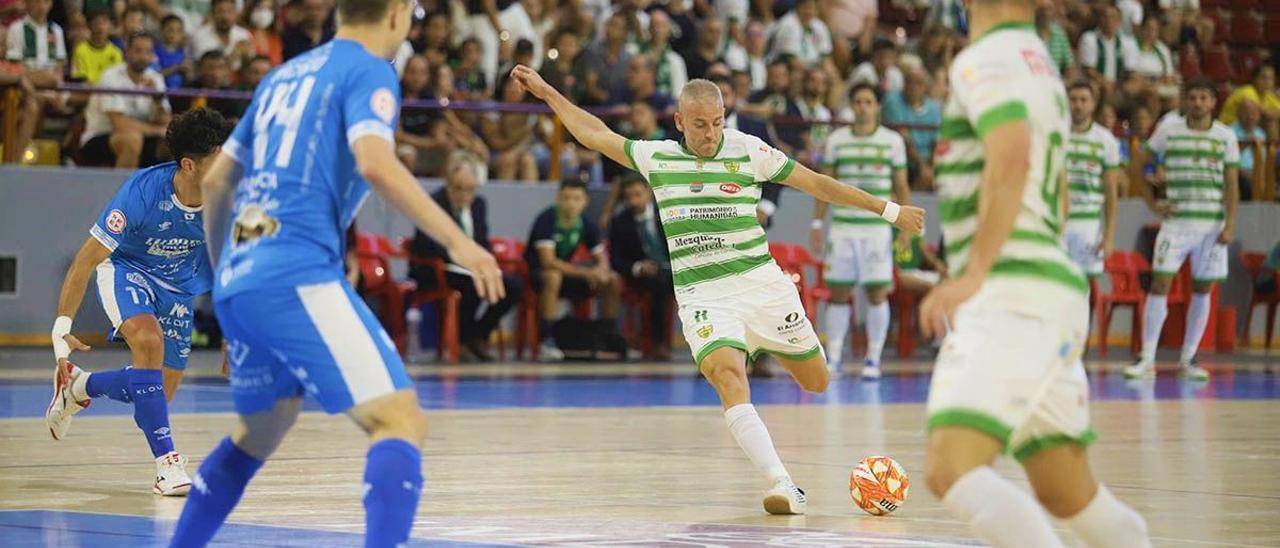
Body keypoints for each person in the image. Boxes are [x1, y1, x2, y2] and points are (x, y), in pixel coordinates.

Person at [509, 64, 924, 514]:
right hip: (704, 295)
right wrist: (548, 91)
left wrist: (888, 210)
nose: (710, 134)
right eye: (700, 125)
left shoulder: (750, 151)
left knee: (817, 381)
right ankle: (783, 484)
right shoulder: (658, 158)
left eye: (718, 123)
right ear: (680, 123)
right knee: (728, 377)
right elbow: (594, 133)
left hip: (763, 286)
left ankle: (765, 343)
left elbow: (817, 184)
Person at [167, 0, 504, 545]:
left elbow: (215, 181)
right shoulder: (370, 70)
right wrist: (459, 241)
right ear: (397, 13)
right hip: (295, 270)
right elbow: (375, 161)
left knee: (259, 433)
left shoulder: (281, 76)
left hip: (242, 278)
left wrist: (229, 278)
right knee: (400, 421)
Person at [916, 2, 1151, 546]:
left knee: (950, 466)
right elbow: (1059, 189)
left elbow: (1014, 154)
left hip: (1012, 292)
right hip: (1051, 288)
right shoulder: (1038, 61)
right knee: (1066, 492)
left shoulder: (986, 58)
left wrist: (975, 272)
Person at [46, 108, 231, 496]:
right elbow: (86, 260)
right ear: (189, 165)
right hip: (128, 270)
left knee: (156, 395)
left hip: (180, 288)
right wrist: (61, 331)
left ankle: (81, 388)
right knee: (148, 343)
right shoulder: (142, 192)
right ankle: (168, 466)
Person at [1125, 80, 1239, 382]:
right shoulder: (1169, 130)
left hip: (1212, 226)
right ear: (1185, 101)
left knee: (1203, 289)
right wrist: (1152, 203)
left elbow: (1231, 184)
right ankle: (1147, 358)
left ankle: (1188, 359)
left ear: (1213, 102)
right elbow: (1139, 163)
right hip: (1176, 224)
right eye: (1193, 97)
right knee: (1160, 284)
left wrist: (1230, 224)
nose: (1198, 103)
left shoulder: (1226, 137)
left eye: (1204, 97)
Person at [810, 83, 911, 379]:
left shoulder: (893, 142)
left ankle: (873, 359)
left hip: (877, 231)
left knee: (877, 293)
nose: (863, 107)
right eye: (858, 101)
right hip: (842, 229)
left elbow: (902, 186)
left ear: (877, 106)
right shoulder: (837, 140)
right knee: (838, 292)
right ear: (851, 105)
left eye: (869, 101)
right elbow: (823, 186)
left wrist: (904, 226)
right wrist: (817, 223)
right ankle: (835, 357)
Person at [409, 160, 525, 362]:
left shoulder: (478, 205)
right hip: (436, 268)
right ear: (448, 184)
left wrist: (485, 262)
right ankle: (461, 341)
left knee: (513, 286)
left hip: (469, 269)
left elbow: (482, 241)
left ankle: (478, 335)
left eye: (470, 189)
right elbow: (425, 245)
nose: (464, 195)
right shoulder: (433, 204)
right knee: (473, 283)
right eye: (459, 188)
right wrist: (461, 258)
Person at [524, 178, 621, 361]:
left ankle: (609, 338)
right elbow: (548, 261)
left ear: (585, 202)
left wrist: (601, 271)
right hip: (538, 277)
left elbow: (601, 257)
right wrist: (587, 273)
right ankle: (548, 340)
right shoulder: (546, 220)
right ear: (558, 198)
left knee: (612, 280)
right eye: (566, 198)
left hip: (568, 276)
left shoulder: (585, 223)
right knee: (553, 277)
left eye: (576, 199)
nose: (571, 203)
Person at [78, 33, 172, 168]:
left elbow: (165, 121)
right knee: (131, 139)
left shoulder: (155, 79)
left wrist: (157, 99)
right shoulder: (111, 77)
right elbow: (119, 123)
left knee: (175, 140)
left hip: (143, 136)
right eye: (138, 51)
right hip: (101, 136)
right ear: (127, 52)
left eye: (148, 52)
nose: (143, 57)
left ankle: (163, 188)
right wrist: (157, 131)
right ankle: (125, 189)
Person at [1063, 81, 1122, 287]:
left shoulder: (1106, 141)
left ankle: (1084, 322)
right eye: (1073, 100)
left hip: (1088, 224)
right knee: (1053, 286)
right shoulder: (1055, 135)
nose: (1078, 105)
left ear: (1093, 104)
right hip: (1057, 223)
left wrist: (1109, 236)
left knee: (1083, 287)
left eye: (1083, 100)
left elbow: (1111, 193)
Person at [608, 176, 674, 361]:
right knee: (658, 286)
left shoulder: (669, 213)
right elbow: (615, 259)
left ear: (649, 192)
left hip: (677, 269)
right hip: (646, 275)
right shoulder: (620, 221)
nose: (633, 200)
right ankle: (658, 344)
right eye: (628, 196)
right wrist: (638, 267)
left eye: (638, 194)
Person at [191, 0, 254, 70]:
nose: (225, 16)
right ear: (212, 14)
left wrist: (246, 58)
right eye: (220, 11)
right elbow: (210, 71)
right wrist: (234, 54)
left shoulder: (244, 34)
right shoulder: (200, 36)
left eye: (229, 11)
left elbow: (250, 68)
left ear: (236, 14)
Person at [71, 10, 122, 85]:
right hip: (86, 92)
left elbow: (117, 80)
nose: (100, 27)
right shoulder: (80, 49)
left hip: (109, 92)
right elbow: (79, 78)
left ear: (110, 26)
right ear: (89, 26)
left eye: (104, 23)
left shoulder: (116, 52)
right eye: (96, 23)